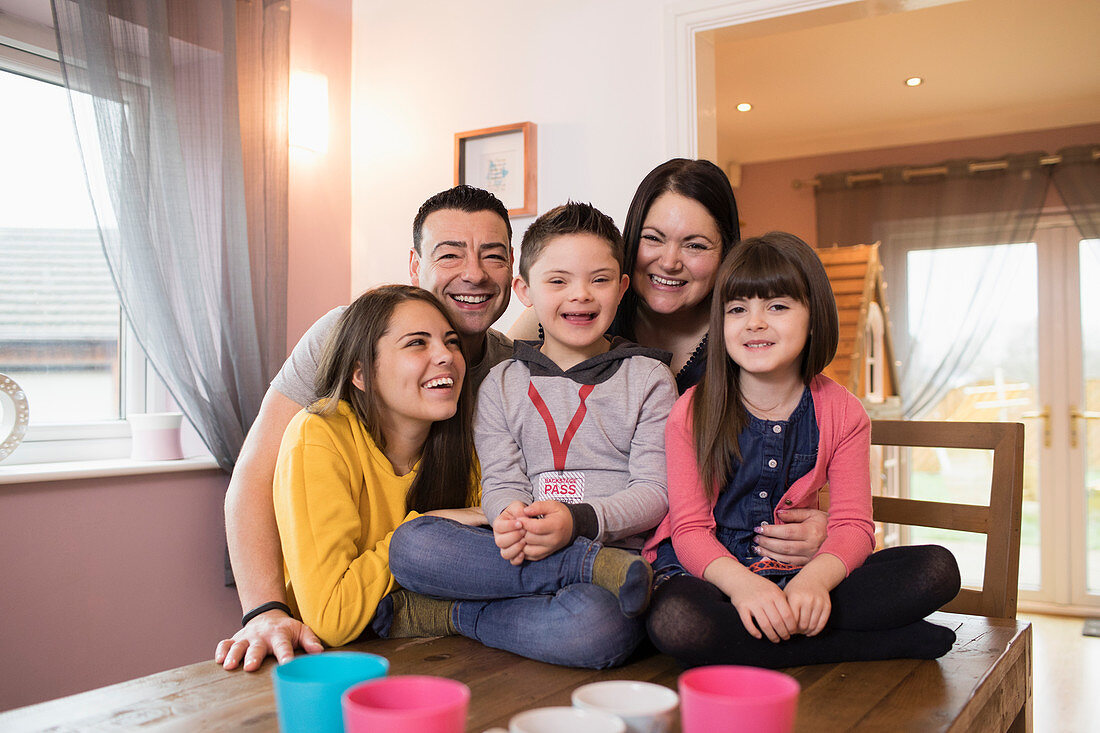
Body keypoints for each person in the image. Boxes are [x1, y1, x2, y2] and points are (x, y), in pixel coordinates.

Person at [216, 186, 514, 670]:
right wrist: (265, 609)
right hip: (335, 632)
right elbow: (255, 476)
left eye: (492, 256)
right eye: (450, 254)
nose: (474, 272)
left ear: (512, 269)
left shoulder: (511, 367)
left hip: (440, 634)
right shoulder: (348, 335)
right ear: (416, 267)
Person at [644, 232, 961, 668]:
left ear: (813, 317)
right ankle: (864, 644)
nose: (754, 322)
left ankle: (759, 642)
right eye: (737, 309)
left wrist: (812, 582)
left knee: (937, 569)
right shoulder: (692, 411)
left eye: (776, 306)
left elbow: (854, 526)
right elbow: (690, 532)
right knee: (677, 622)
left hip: (798, 571)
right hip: (713, 576)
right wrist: (745, 587)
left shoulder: (842, 411)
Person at [384, 202, 678, 668]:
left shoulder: (649, 379)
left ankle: (453, 615)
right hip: (524, 552)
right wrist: (508, 517)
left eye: (599, 280)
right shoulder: (502, 381)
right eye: (558, 281)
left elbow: (655, 492)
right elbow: (502, 482)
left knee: (600, 630)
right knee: (410, 545)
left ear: (622, 288)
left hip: (610, 563)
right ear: (524, 290)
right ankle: (566, 575)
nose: (580, 296)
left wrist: (576, 521)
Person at [512, 159, 830, 569]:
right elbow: (503, 376)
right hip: (594, 539)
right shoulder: (585, 308)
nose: (669, 261)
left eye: (695, 245)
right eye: (653, 239)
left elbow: (809, 438)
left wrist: (825, 524)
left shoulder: (748, 336)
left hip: (717, 552)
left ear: (725, 255)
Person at [271, 285, 485, 646]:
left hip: (438, 649)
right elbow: (333, 619)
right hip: (334, 668)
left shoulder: (466, 439)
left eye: (451, 342)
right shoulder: (319, 435)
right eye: (418, 343)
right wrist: (429, 528)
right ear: (361, 373)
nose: (446, 356)